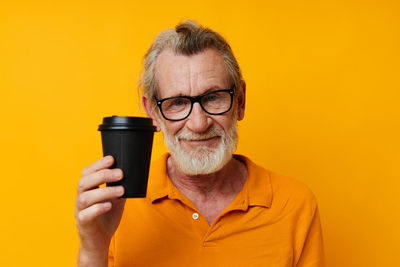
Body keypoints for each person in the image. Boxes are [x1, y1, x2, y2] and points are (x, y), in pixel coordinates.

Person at [75, 20, 324, 267]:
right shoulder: (117, 204)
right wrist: (93, 248)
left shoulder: (294, 204)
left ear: (240, 101)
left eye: (213, 97)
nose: (198, 124)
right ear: (152, 114)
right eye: (178, 103)